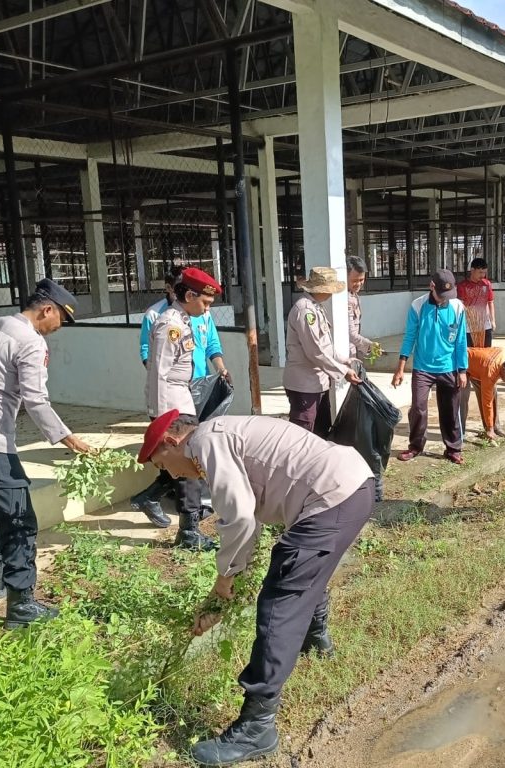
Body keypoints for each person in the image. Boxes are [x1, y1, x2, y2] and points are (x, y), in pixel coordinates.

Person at [137, 411, 374, 766]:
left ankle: (256, 728)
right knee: (302, 570)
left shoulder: (206, 442)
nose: (171, 475)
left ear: (172, 442)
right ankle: (316, 639)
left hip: (333, 495)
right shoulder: (220, 433)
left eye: (163, 464)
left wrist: (224, 582)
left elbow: (240, 519)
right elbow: (250, 516)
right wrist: (236, 575)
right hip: (351, 485)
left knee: (280, 601)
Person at [0, 279, 93, 627]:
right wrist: (68, 438)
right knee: (19, 519)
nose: (59, 328)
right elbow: (35, 399)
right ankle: (22, 604)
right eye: (61, 320)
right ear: (47, 310)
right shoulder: (30, 342)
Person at [133, 266, 230, 528]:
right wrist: (163, 418)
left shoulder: (183, 320)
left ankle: (156, 501)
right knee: (187, 460)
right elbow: (158, 374)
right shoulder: (170, 325)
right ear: (189, 296)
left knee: (187, 460)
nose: (207, 309)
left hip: (181, 397)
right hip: (171, 405)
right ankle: (189, 528)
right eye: (205, 302)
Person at [392, 269, 469, 464]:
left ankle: (453, 449)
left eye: (448, 294)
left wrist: (462, 370)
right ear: (432, 286)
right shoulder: (417, 306)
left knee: (451, 409)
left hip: (449, 367)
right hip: (423, 368)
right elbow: (409, 337)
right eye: (441, 294)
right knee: (418, 408)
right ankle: (415, 446)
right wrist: (400, 368)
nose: (444, 298)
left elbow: (461, 340)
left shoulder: (458, 307)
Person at [284, 267, 363, 436]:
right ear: (321, 289)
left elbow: (324, 345)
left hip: (318, 382)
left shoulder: (316, 307)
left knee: (321, 431)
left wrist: (343, 359)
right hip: (304, 384)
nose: (332, 293)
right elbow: (314, 351)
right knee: (302, 434)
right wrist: (343, 371)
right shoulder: (305, 310)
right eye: (330, 289)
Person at [459, 346, 505, 440]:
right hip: (461, 364)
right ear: (504, 369)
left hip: (479, 367)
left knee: (493, 394)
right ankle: (460, 432)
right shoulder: (490, 373)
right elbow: (487, 403)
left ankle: (494, 427)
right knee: (462, 398)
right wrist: (490, 428)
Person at [457, 257, 496, 348]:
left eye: (484, 273)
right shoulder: (462, 286)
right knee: (470, 352)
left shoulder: (487, 284)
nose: (482, 275)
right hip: (468, 326)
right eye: (480, 272)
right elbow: (459, 306)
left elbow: (490, 302)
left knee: (485, 352)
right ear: (472, 270)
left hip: (485, 325)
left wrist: (493, 321)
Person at [346, 256, 378, 360]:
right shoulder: (345, 299)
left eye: (362, 280)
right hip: (345, 353)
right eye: (355, 280)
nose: (359, 284)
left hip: (352, 351)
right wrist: (370, 346)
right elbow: (350, 333)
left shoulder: (353, 295)